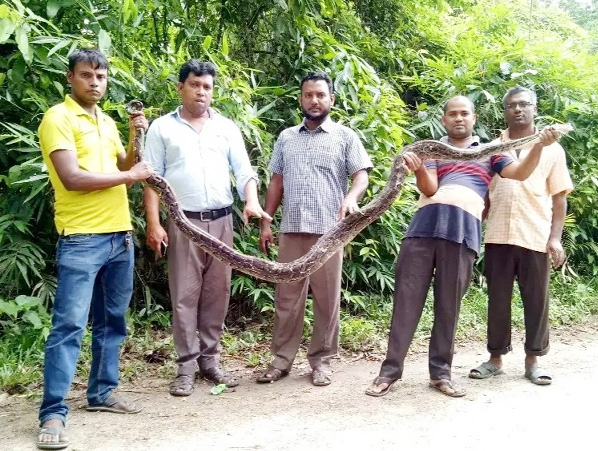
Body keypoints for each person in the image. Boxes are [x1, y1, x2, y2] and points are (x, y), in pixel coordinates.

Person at [365, 95, 561, 398]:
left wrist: (538, 146)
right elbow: (430, 188)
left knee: (448, 308)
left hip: (462, 235)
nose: (459, 118)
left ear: (474, 119)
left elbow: (520, 174)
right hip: (423, 230)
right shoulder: (432, 150)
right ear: (444, 119)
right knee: (406, 303)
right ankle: (388, 372)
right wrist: (418, 169)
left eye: (464, 113)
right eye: (452, 114)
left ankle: (440, 375)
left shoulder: (490, 153)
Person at [36, 49, 153, 450]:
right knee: (68, 326)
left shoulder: (104, 120)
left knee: (112, 322)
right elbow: (71, 178)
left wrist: (137, 134)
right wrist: (131, 175)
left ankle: (102, 393)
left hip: (119, 236)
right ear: (71, 78)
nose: (95, 82)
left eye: (100, 76)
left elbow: (126, 162)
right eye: (86, 75)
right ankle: (52, 413)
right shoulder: (58, 118)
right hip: (82, 237)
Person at [143, 60, 269, 396]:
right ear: (180, 88)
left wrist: (252, 201)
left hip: (222, 221)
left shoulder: (226, 128)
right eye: (195, 85)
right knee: (184, 295)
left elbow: (244, 171)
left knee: (217, 293)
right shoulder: (161, 128)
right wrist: (154, 223)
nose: (201, 92)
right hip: (183, 222)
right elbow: (151, 179)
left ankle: (210, 361)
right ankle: (185, 367)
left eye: (207, 87)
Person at [257, 72, 373, 387]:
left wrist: (351, 197)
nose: (314, 100)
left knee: (326, 298)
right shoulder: (286, 138)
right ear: (301, 98)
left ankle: (322, 362)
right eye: (308, 94)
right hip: (292, 228)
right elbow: (276, 182)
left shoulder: (345, 137)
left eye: (321, 95)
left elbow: (361, 176)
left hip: (329, 231)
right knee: (287, 297)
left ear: (331, 99)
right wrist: (267, 221)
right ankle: (281, 361)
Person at [469, 87, 573, 385]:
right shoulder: (491, 148)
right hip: (498, 234)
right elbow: (483, 195)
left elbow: (559, 197)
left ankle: (533, 360)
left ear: (535, 109)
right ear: (504, 111)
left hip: (535, 234)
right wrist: (474, 227)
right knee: (497, 300)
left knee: (536, 300)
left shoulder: (553, 149)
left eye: (524, 104)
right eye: (511, 105)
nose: (518, 109)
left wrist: (555, 238)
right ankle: (495, 358)